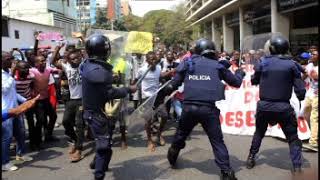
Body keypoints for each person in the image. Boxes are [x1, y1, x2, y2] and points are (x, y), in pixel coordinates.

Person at [154, 38, 245, 180]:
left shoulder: (187, 63)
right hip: (208, 110)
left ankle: (173, 154)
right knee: (217, 141)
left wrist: (159, 99)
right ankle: (226, 172)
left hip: (189, 109)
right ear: (212, 51)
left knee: (181, 135)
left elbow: (173, 85)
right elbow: (236, 83)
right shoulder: (218, 66)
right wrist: (240, 72)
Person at [246, 35, 306, 173]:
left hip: (264, 106)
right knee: (292, 137)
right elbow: (300, 90)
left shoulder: (262, 62)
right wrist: (300, 97)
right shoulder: (291, 64)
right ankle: (297, 167)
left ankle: (251, 157)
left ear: (271, 49)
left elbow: (254, 80)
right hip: (283, 107)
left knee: (259, 132)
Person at [81, 34, 136, 180]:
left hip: (92, 111)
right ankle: (99, 174)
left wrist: (112, 78)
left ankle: (97, 164)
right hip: (97, 114)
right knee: (104, 148)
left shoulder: (86, 64)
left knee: (106, 142)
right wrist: (128, 89)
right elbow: (109, 93)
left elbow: (100, 83)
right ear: (104, 51)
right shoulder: (100, 72)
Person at [2, 52, 33, 171]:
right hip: (5, 110)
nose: (12, 61)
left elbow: (13, 93)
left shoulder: (8, 74)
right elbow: (4, 90)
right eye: (9, 59)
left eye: (12, 58)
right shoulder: (8, 75)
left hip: (16, 108)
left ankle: (21, 154)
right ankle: (4, 163)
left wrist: (26, 101)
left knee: (21, 133)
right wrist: (13, 72)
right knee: (7, 137)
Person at [53, 48, 85, 162]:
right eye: (73, 59)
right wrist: (57, 49)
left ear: (81, 58)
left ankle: (79, 149)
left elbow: (89, 55)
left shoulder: (84, 65)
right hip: (72, 99)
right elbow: (53, 62)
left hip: (83, 100)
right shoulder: (67, 67)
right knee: (66, 121)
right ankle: (76, 140)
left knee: (79, 124)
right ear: (68, 60)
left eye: (77, 58)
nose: (75, 60)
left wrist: (82, 38)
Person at [29, 55, 60, 149]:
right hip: (37, 100)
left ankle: (48, 135)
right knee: (40, 120)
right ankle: (36, 142)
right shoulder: (32, 71)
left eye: (44, 60)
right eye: (40, 61)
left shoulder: (48, 69)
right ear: (36, 63)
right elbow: (27, 76)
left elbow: (57, 70)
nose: (43, 62)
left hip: (46, 98)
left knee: (53, 116)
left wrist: (59, 70)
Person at [302, 50, 318, 150]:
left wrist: (314, 75)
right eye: (311, 54)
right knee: (305, 113)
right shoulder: (309, 65)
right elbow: (303, 76)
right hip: (310, 93)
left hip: (317, 95)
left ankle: (313, 142)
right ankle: (312, 133)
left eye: (314, 54)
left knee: (314, 117)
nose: (311, 55)